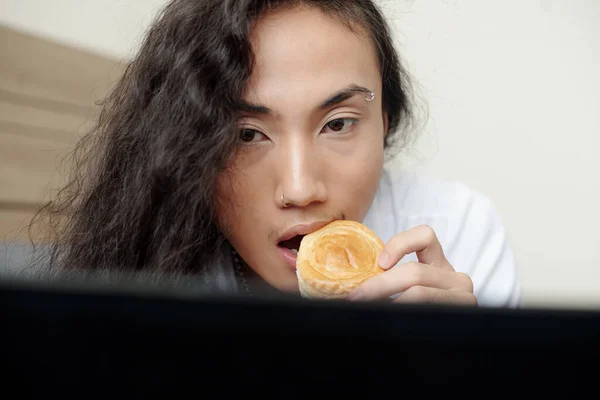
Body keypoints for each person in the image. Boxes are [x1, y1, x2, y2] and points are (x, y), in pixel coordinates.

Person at [36, 0, 522, 307]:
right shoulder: (154, 265)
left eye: (337, 124)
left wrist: (460, 361)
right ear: (188, 144)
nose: (300, 188)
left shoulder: (461, 232)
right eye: (246, 135)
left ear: (385, 122)